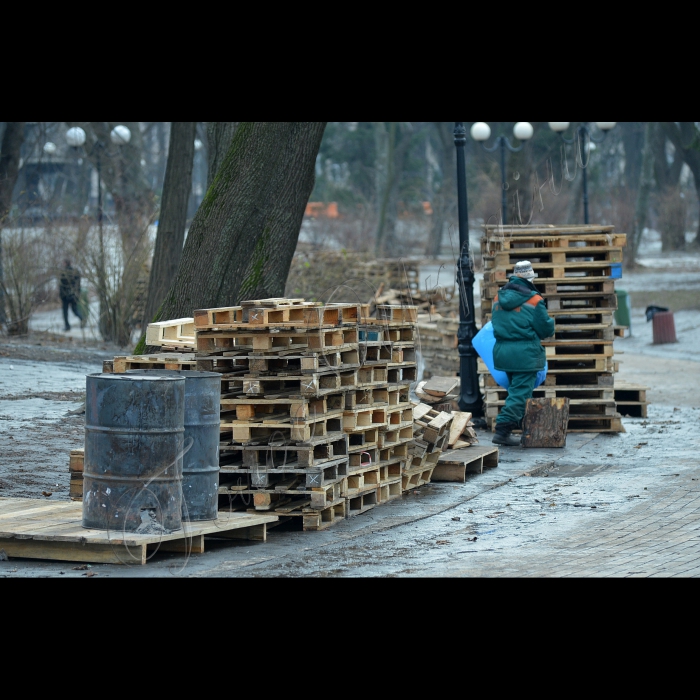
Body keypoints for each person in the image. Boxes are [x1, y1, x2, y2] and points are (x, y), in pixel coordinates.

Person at [491, 260, 555, 446]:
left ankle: (521, 426)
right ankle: (502, 431)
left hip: (503, 352)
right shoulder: (535, 300)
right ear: (530, 279)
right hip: (525, 355)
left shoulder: (498, 298)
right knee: (520, 394)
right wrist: (551, 323)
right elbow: (545, 330)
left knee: (516, 391)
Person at [59, 258, 84, 331]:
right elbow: (78, 285)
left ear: (66, 263)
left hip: (66, 296)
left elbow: (62, 286)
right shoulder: (75, 272)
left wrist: (61, 295)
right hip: (73, 295)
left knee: (65, 312)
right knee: (74, 310)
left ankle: (67, 326)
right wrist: (77, 294)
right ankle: (82, 319)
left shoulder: (64, 273)